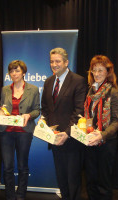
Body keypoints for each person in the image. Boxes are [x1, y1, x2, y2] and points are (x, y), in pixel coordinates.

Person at [41, 47, 87, 200]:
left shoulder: (78, 81)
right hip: (54, 139)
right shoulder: (48, 82)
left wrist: (66, 134)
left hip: (71, 139)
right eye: (52, 61)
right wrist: (44, 123)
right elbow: (46, 109)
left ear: (66, 62)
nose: (54, 64)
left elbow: (79, 111)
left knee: (73, 180)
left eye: (58, 61)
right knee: (61, 178)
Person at [0, 60, 40, 200]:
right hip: (6, 132)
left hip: (24, 133)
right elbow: (2, 107)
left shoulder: (33, 89)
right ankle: (10, 196)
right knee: (8, 166)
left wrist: (29, 115)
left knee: (22, 166)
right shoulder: (5, 89)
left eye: (17, 70)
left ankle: (21, 195)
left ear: (23, 73)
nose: (14, 74)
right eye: (11, 71)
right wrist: (0, 113)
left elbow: (37, 110)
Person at [84, 55, 118, 200]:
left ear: (108, 72)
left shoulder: (113, 92)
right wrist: (87, 131)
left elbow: (117, 121)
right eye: (94, 70)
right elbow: (88, 117)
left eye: (101, 70)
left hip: (106, 143)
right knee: (90, 182)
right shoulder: (90, 92)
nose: (97, 73)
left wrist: (101, 135)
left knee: (104, 184)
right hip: (90, 142)